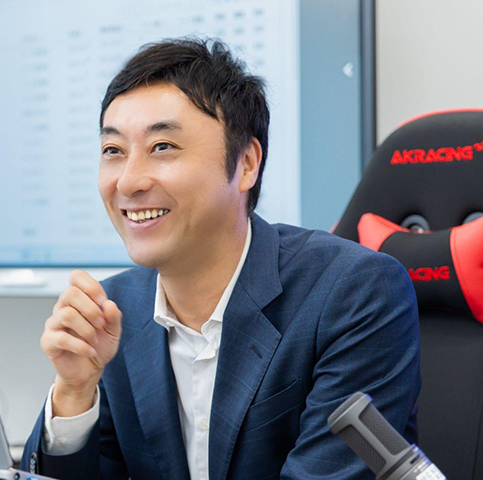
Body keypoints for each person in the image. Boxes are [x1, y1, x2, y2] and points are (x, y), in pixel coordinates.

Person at [22, 38, 420, 479]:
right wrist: (74, 393)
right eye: (113, 151)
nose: (129, 182)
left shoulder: (354, 291)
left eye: (162, 147)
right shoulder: (113, 311)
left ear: (246, 163)